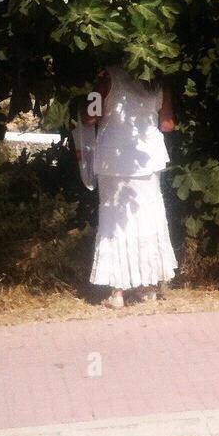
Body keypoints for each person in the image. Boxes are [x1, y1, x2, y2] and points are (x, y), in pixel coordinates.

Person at [83, 64, 177, 308]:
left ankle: (118, 292)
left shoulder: (107, 76)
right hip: (147, 158)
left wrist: (90, 100)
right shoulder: (158, 79)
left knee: (114, 221)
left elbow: (90, 115)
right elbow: (167, 124)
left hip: (113, 158)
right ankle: (147, 288)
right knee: (147, 218)